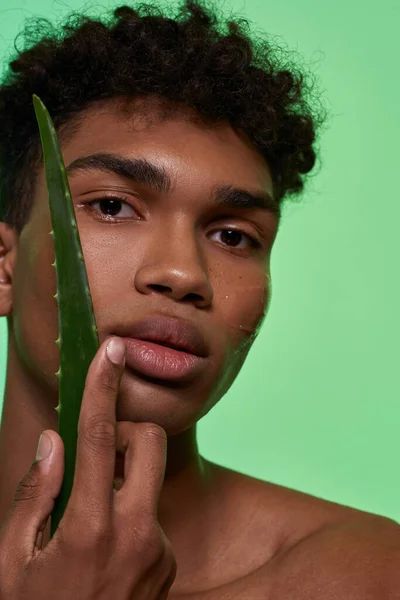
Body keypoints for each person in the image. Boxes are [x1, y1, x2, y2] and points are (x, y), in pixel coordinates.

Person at [0, 1, 398, 598]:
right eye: (112, 206)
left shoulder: (362, 576)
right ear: (4, 268)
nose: (183, 273)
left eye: (233, 236)